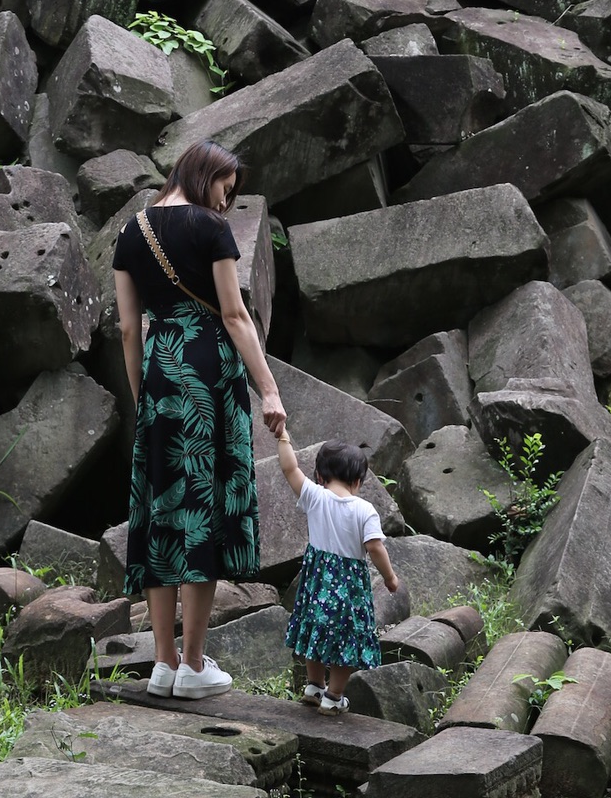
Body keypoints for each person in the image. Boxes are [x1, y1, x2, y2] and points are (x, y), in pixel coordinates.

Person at [113, 139, 286, 700]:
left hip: (160, 374)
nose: (226, 202)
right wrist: (270, 389)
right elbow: (235, 315)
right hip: (207, 374)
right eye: (225, 189)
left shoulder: (129, 232)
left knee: (164, 510)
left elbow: (127, 330)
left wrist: (144, 398)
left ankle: (162, 664)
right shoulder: (210, 229)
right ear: (205, 174)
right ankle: (192, 665)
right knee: (201, 511)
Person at [274, 427, 400, 711]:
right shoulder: (365, 510)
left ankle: (314, 685)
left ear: (320, 475)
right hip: (349, 586)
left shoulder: (315, 497)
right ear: (358, 480)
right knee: (348, 638)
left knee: (315, 629)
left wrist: (283, 438)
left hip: (317, 582)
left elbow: (289, 468)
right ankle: (333, 696)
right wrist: (390, 577)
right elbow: (375, 547)